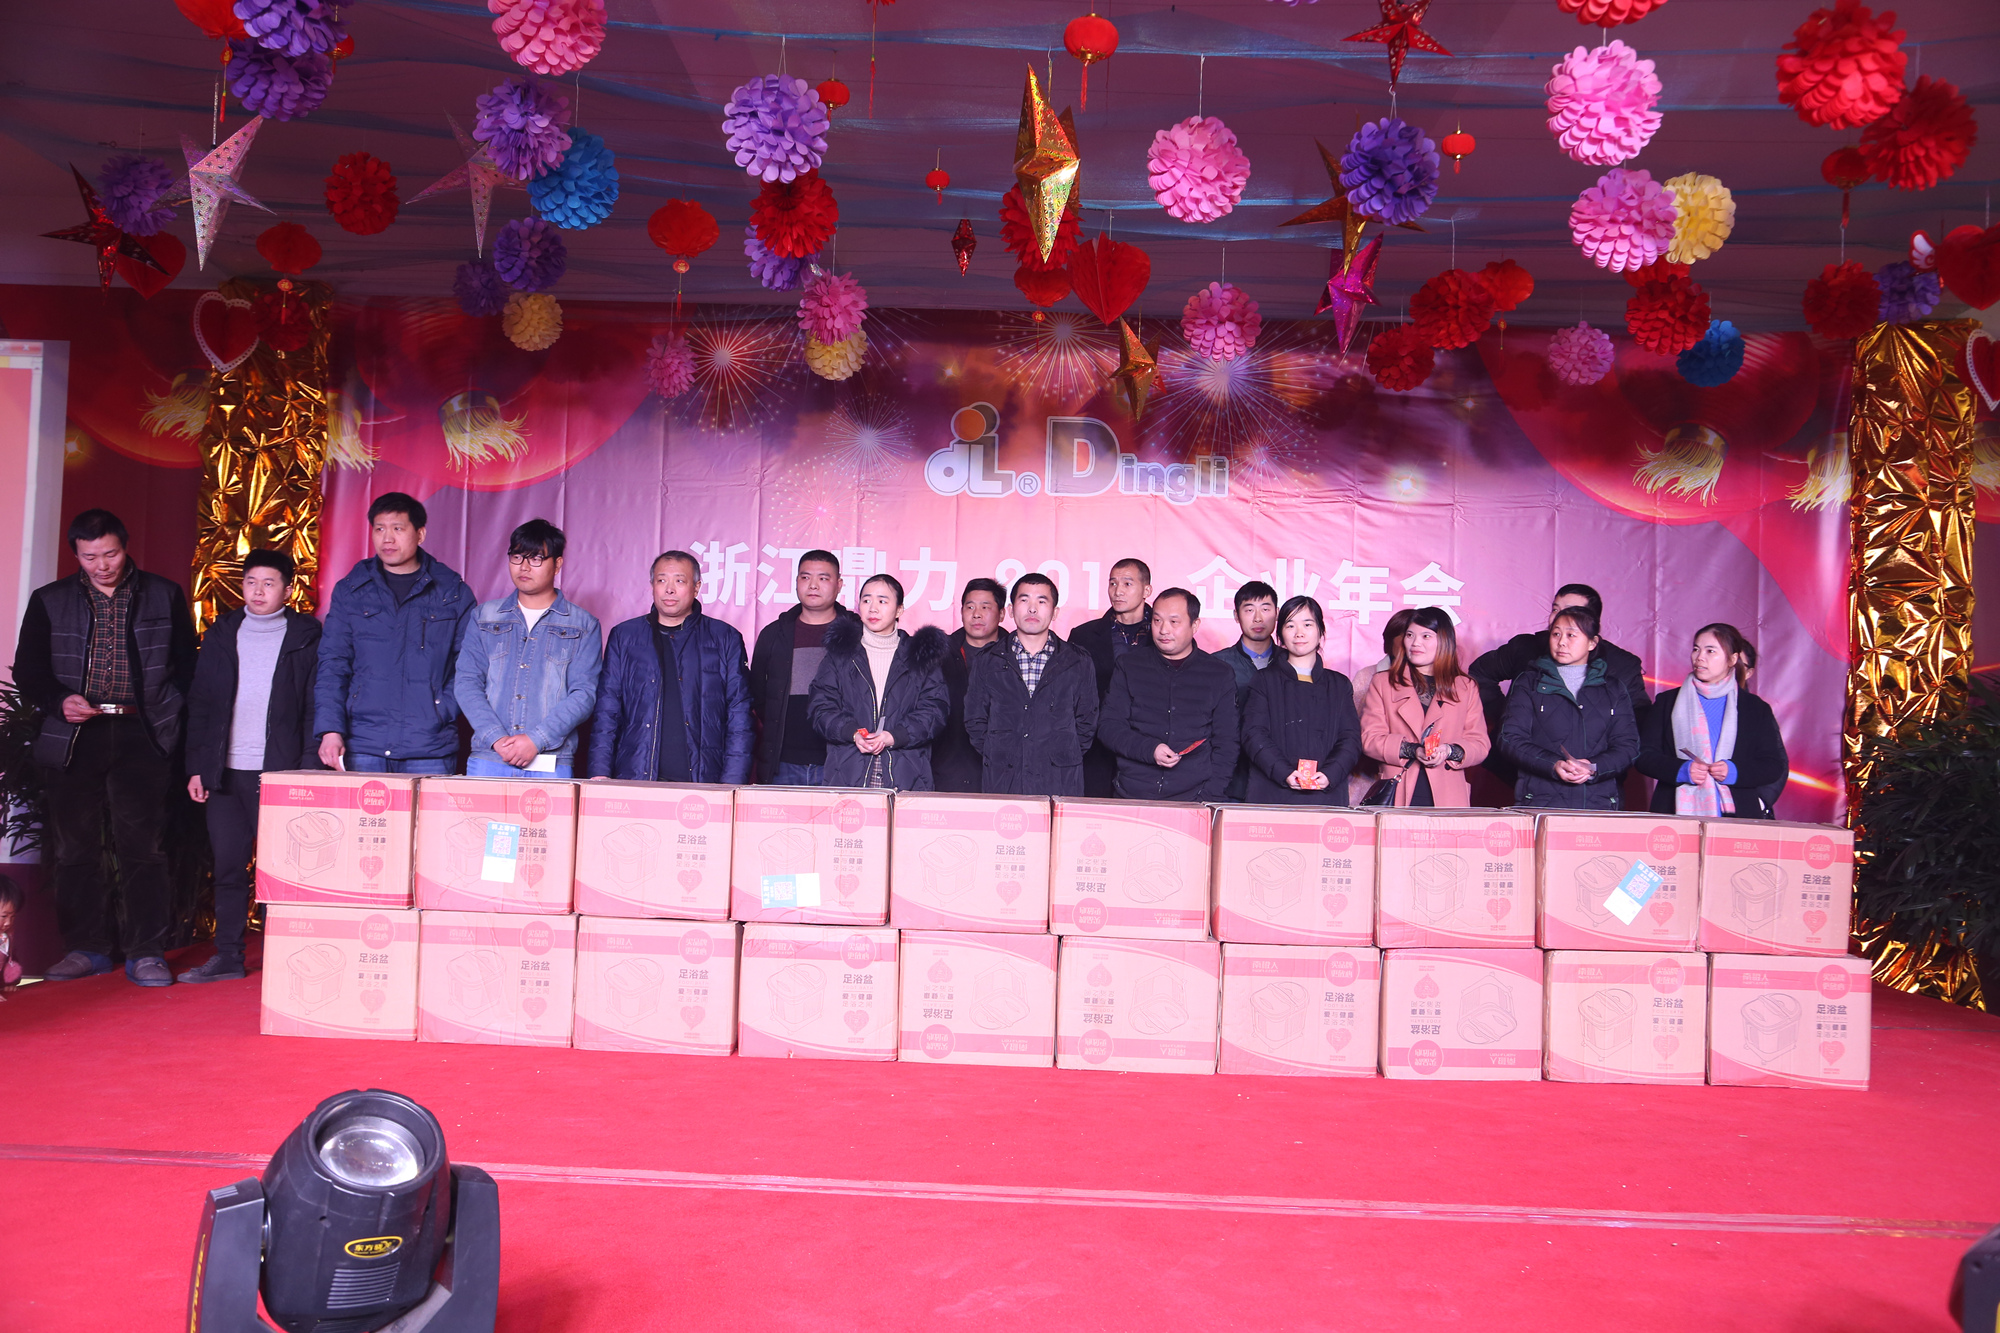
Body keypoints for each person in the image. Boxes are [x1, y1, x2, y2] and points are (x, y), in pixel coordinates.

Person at [14, 509, 196, 986]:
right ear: (75, 554)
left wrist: (170, 714)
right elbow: (28, 669)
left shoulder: (164, 594)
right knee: (74, 848)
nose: (102, 565)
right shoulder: (50, 599)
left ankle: (146, 952)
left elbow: (185, 666)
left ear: (125, 547)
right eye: (90, 557)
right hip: (75, 734)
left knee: (145, 848)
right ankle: (85, 948)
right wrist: (59, 700)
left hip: (143, 733)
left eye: (110, 554)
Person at [181, 550, 322, 983]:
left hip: (280, 771)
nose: (258, 592)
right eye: (251, 582)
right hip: (225, 772)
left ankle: (295, 956)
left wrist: (306, 768)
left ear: (288, 589)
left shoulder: (307, 635)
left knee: (288, 869)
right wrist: (198, 767)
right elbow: (201, 703)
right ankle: (228, 957)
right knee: (228, 866)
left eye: (269, 583)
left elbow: (314, 706)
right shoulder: (223, 631)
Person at [315, 492, 474, 775]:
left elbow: (469, 665)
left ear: (420, 534)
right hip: (363, 743)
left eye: (398, 528)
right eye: (379, 529)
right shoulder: (351, 590)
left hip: (429, 745)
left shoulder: (452, 592)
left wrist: (441, 709)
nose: (387, 538)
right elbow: (333, 664)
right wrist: (330, 729)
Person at [454, 520, 602, 780]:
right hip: (490, 756)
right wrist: (496, 738)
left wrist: (536, 740)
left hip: (551, 760)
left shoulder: (583, 624)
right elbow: (466, 683)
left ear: (557, 564)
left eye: (536, 558)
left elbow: (584, 694)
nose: (524, 567)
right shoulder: (484, 617)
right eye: (517, 556)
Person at [588, 551, 753, 784]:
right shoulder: (624, 636)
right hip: (635, 777)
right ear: (652, 585)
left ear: (696, 587)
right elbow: (607, 709)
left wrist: (733, 781)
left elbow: (739, 714)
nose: (669, 589)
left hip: (704, 781)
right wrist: (599, 771)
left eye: (679, 581)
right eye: (661, 580)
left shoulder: (724, 638)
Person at [1469, 583, 1649, 793]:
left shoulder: (1621, 667)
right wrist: (1509, 714)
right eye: (1555, 609)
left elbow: (1634, 728)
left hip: (1595, 784)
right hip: (1522, 774)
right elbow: (1480, 674)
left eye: (1571, 611)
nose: (1558, 618)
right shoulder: (1526, 650)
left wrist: (1596, 765)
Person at [1095, 587, 1239, 801]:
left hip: (1195, 797)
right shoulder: (1129, 666)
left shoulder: (1219, 674)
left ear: (1195, 625)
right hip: (1132, 794)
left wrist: (1209, 795)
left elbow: (1227, 743)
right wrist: (1150, 749)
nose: (1163, 630)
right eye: (1157, 621)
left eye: (1174, 622)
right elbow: (1109, 727)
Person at [963, 573, 1100, 796]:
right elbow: (975, 720)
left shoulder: (1077, 661)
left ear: (1055, 612)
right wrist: (1000, 753)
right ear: (1010, 610)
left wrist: (1059, 756)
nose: (1032, 609)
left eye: (1041, 601)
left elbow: (1087, 723)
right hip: (1003, 780)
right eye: (1024, 600)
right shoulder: (988, 660)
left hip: (1060, 782)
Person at [808, 574, 949, 789]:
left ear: (899, 610)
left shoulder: (920, 656)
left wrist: (896, 736)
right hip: (848, 772)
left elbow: (935, 710)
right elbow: (821, 707)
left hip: (907, 773)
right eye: (866, 600)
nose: (873, 608)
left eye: (882, 601)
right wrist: (853, 733)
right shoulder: (840, 654)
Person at [1636, 623, 1788, 819]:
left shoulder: (1755, 708)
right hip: (1674, 812)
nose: (1699, 657)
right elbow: (1644, 756)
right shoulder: (1668, 702)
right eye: (1696, 649)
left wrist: (1734, 771)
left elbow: (1773, 765)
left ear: (1732, 659)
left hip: (1738, 815)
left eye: (1710, 651)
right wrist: (1681, 770)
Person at [1498, 605, 1641, 810]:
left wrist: (1593, 767)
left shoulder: (1613, 689)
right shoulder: (1529, 683)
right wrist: (1553, 764)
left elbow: (1628, 747)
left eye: (1571, 635)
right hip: (1540, 802)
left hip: (1598, 804)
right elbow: (1510, 739)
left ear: (1592, 643)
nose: (1561, 642)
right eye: (1556, 634)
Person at [1360, 606, 1489, 807]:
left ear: (1444, 641)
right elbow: (1370, 739)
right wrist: (1413, 750)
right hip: (1398, 791)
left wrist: (1449, 751)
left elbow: (1480, 744)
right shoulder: (1383, 683)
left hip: (1448, 795)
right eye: (1410, 635)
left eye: (1426, 636)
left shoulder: (1465, 687)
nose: (1415, 643)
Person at [1241, 596, 1361, 805]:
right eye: (1290, 625)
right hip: (1272, 794)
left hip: (1326, 795)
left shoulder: (1339, 685)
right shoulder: (1263, 681)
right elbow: (1253, 734)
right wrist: (1284, 772)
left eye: (1307, 624)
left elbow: (1350, 739)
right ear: (1280, 634)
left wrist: (1330, 774)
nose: (1299, 633)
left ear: (1320, 631)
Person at [748, 550, 854, 785]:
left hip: (841, 761)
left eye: (823, 578)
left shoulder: (857, 633)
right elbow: (757, 695)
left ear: (839, 585)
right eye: (805, 577)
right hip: (783, 763)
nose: (813, 585)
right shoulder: (773, 634)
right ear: (796, 581)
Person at [1070, 558, 1154, 797]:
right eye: (1113, 583)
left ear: (1147, 590)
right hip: (1096, 751)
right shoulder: (1083, 635)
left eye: (1127, 583)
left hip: (1148, 749)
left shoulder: (1165, 635)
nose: (1118, 591)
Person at [933, 577, 1006, 793]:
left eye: (985, 607)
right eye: (970, 607)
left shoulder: (1016, 656)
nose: (977, 614)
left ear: (1002, 614)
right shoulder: (939, 655)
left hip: (1001, 773)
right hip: (947, 772)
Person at [1213, 580, 1279, 801]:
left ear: (1277, 613)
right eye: (1249, 610)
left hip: (1279, 780)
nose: (1258, 618)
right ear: (1236, 615)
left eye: (1265, 609)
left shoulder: (1290, 664)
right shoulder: (1217, 665)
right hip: (1231, 781)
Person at [1346, 608, 1414, 803]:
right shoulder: (1368, 676)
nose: (1414, 643)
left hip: (1414, 776)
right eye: (1407, 635)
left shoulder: (1436, 682)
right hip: (1369, 778)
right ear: (1390, 640)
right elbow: (1350, 729)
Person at [0, 876, 21, 999]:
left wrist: (7, 983)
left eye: (12, 917)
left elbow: (9, 961)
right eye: (4, 916)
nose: (8, 923)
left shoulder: (6, 936)